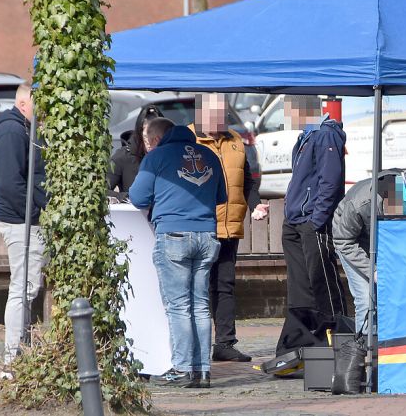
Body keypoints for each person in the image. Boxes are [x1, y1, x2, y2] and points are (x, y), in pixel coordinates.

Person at [129, 117, 227, 388]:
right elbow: (221, 196)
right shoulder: (209, 154)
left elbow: (138, 198)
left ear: (157, 139)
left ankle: (183, 368)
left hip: (173, 235)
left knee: (179, 307)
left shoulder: (157, 157)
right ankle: (203, 370)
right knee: (200, 305)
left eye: (148, 141)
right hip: (207, 235)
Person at [188, 94, 262, 363]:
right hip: (199, 225)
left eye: (224, 115)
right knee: (197, 287)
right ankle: (193, 347)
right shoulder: (187, 140)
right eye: (216, 115)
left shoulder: (235, 141)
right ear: (201, 114)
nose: (222, 120)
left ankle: (225, 343)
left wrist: (254, 205)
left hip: (230, 227)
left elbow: (247, 182)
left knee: (225, 285)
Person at [279, 95, 347, 347]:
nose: (288, 117)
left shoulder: (325, 134)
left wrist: (317, 219)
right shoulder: (306, 136)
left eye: (289, 111)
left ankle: (337, 336)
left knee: (322, 281)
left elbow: (330, 180)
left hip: (310, 220)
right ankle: (303, 339)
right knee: (300, 286)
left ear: (301, 110)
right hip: (296, 218)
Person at [0, 84, 47, 379]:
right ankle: (13, 359)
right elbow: (11, 184)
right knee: (23, 287)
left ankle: (19, 352)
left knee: (27, 288)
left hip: (22, 219)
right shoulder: (13, 132)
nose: (44, 113)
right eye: (39, 105)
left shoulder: (19, 128)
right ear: (24, 103)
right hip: (20, 221)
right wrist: (35, 214)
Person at [332, 170, 406, 334]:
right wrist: (372, 270)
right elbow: (343, 240)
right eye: (393, 215)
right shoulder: (360, 204)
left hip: (386, 240)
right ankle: (365, 350)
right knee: (366, 298)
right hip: (352, 241)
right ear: (384, 203)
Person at [107, 105, 163, 200]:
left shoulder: (171, 156)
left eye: (156, 137)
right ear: (140, 134)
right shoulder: (122, 157)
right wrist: (122, 197)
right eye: (147, 137)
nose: (151, 142)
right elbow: (101, 190)